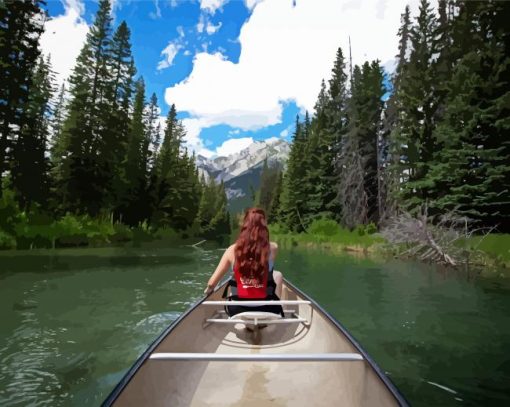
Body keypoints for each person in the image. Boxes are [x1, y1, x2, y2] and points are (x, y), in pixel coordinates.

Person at [204, 207, 284, 317]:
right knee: (277, 275)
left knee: (233, 279)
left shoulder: (231, 250)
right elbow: (263, 273)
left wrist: (208, 290)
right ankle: (273, 315)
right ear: (264, 226)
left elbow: (211, 283)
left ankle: (247, 324)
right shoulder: (273, 248)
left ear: (245, 226)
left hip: (237, 309)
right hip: (268, 309)